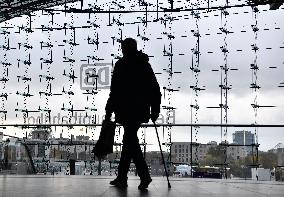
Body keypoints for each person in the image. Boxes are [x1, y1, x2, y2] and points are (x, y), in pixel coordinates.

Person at [105, 38, 161, 190]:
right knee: (129, 142)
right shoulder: (144, 64)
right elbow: (155, 88)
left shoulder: (121, 65)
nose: (122, 50)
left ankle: (141, 176)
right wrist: (155, 109)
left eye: (123, 47)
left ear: (124, 49)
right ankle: (123, 177)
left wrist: (109, 110)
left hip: (125, 110)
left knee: (130, 142)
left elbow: (114, 91)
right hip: (139, 111)